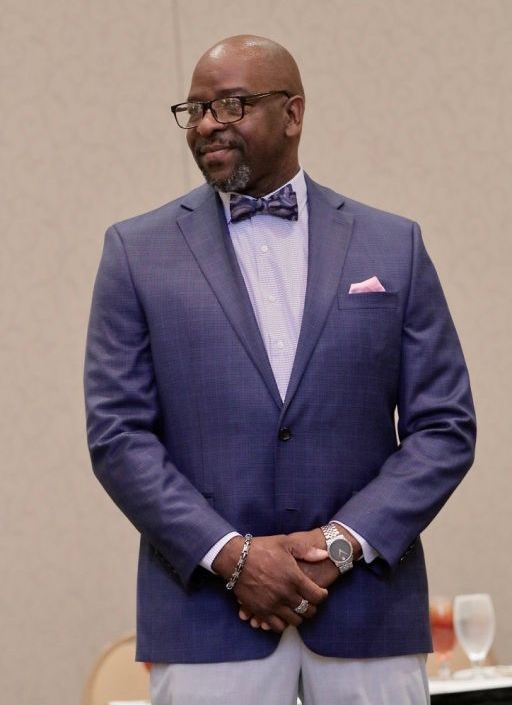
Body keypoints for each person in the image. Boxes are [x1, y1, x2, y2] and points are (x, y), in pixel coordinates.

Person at [84, 35, 476, 704]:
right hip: (208, 619)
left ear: (292, 113)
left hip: (367, 612)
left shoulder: (394, 245)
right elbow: (118, 436)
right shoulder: (135, 253)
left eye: (231, 104)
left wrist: (339, 547)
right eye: (195, 109)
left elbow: (444, 428)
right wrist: (235, 558)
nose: (208, 123)